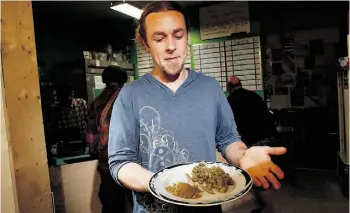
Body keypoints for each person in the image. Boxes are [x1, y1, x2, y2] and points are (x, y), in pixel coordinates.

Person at [108, 2, 287, 213]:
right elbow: (120, 162)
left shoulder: (210, 87)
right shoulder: (130, 95)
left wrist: (242, 156)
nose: (171, 46)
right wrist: (161, 184)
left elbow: (228, 139)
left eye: (178, 35)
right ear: (146, 44)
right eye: (159, 38)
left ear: (186, 38)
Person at [226, 76, 281, 213]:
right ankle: (265, 205)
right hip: (271, 138)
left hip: (256, 142)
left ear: (228, 88)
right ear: (241, 84)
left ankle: (269, 208)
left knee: (260, 178)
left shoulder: (231, 101)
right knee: (263, 176)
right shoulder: (255, 96)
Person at [86, 66, 133, 213]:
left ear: (104, 81)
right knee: (136, 201)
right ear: (124, 80)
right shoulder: (129, 98)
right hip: (132, 160)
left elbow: (91, 137)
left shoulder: (95, 103)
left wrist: (95, 152)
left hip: (107, 162)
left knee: (112, 204)